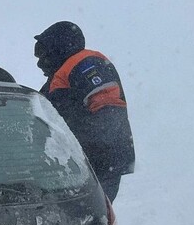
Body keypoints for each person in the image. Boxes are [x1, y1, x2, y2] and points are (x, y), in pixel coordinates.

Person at [34, 21, 135, 201]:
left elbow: (109, 115)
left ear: (58, 48)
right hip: (80, 164)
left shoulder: (87, 65)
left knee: (88, 220)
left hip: (97, 165)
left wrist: (80, 149)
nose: (40, 62)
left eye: (42, 53)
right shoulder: (60, 75)